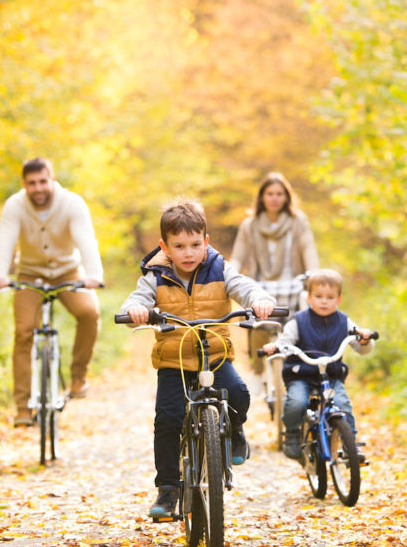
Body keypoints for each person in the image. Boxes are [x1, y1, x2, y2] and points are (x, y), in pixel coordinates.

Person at [119, 199, 275, 519]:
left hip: (214, 355)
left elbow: (242, 286)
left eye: (194, 245)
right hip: (174, 360)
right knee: (167, 419)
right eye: (179, 246)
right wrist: (136, 311)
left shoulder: (219, 268)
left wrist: (258, 298)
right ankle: (168, 489)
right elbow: (139, 298)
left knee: (239, 393)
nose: (188, 253)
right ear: (165, 247)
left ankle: (233, 430)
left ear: (206, 242)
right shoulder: (155, 275)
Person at [0, 157, 104, 427]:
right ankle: (22, 407)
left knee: (89, 313)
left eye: (43, 181)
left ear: (52, 179)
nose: (38, 188)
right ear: (24, 184)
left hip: (68, 272)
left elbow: (86, 240)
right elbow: (4, 240)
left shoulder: (72, 203)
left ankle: (78, 377)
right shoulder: (15, 206)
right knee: (23, 331)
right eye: (32, 183)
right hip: (30, 275)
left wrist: (94, 275)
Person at [262, 269, 374, 461]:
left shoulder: (344, 322)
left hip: (330, 376)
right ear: (308, 298)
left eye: (330, 297)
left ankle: (350, 444)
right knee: (296, 402)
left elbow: (361, 346)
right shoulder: (298, 321)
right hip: (301, 374)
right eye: (319, 296)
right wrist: (276, 347)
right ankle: (292, 434)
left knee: (343, 404)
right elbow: (285, 341)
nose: (324, 301)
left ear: (338, 299)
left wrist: (364, 339)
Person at [230, 172, 319, 410]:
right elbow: (237, 257)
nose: (274, 198)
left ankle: (297, 373)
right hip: (261, 287)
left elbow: (308, 249)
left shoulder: (298, 221)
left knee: (298, 329)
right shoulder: (249, 225)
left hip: (292, 284)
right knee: (257, 324)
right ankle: (258, 372)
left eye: (279, 194)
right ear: (262, 197)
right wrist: (229, 275)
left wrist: (315, 275)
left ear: (286, 197)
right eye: (270, 193)